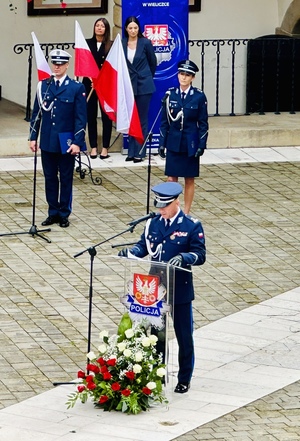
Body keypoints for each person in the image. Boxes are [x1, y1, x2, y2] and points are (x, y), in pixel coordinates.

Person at [118, 182, 206, 393]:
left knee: (184, 335)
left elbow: (200, 254)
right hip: (154, 289)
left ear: (176, 202)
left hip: (180, 289)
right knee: (156, 334)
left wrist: (184, 257)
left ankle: (184, 378)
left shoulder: (191, 225)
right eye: (159, 206)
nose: (161, 210)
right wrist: (131, 253)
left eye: (165, 206)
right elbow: (144, 247)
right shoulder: (153, 224)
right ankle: (157, 373)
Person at [29, 49, 87, 228]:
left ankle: (64, 213)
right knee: (50, 177)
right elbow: (36, 114)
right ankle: (52, 211)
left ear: (67, 65)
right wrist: (33, 137)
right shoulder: (44, 86)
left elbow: (80, 118)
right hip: (47, 140)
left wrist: (77, 142)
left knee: (66, 177)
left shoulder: (76, 87)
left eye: (61, 64)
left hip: (66, 140)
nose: (57, 66)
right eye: (54, 63)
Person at [159, 59, 209, 214]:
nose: (184, 78)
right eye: (181, 74)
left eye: (187, 75)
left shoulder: (199, 96)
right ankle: (171, 209)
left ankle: (186, 212)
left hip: (190, 143)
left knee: (189, 179)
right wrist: (162, 143)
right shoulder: (170, 95)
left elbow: (203, 123)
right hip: (174, 141)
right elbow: (164, 122)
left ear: (192, 78)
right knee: (171, 178)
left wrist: (201, 144)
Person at [122, 16, 157, 163]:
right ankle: (131, 152)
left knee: (141, 119)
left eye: (135, 28)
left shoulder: (145, 43)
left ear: (139, 28)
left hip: (144, 85)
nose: (133, 30)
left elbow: (152, 62)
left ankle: (140, 152)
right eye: (130, 28)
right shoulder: (122, 43)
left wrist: (146, 76)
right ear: (126, 29)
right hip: (129, 85)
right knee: (131, 119)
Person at [82, 18, 113, 160]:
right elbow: (83, 63)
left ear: (106, 29)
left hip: (105, 84)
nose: (99, 28)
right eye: (97, 25)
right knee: (91, 115)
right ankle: (93, 146)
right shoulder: (87, 44)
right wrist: (91, 79)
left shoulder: (111, 45)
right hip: (89, 84)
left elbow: (111, 66)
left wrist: (101, 80)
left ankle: (105, 147)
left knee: (106, 116)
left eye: (102, 26)